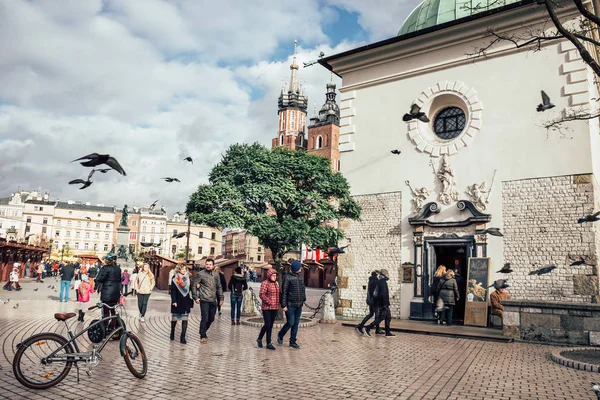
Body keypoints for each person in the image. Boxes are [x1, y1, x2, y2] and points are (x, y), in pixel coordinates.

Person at [192, 259, 223, 344]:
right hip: (204, 299)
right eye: (207, 264)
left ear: (213, 266)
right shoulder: (200, 274)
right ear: (205, 265)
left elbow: (219, 287)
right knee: (205, 318)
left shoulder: (216, 275)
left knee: (211, 318)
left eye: (210, 264)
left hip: (213, 300)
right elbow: (194, 285)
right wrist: (196, 297)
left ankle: (202, 330)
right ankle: (203, 335)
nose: (208, 266)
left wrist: (221, 298)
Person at [277, 260, 306, 349]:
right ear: (295, 268)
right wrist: (284, 305)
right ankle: (281, 334)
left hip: (299, 304)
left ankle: (292, 341)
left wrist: (303, 299)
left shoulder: (300, 277)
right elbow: (284, 292)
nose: (300, 268)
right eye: (299, 267)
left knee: (296, 324)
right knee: (290, 322)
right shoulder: (287, 277)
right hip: (290, 305)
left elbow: (303, 288)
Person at [94, 255, 122, 330]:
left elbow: (100, 278)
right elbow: (119, 280)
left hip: (107, 293)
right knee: (113, 310)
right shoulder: (118, 269)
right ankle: (112, 327)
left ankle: (104, 327)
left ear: (107, 260)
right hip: (115, 293)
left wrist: (96, 281)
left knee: (106, 311)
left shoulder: (105, 268)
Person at [365, 269, 394, 337]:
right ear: (384, 274)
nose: (388, 275)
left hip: (385, 303)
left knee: (388, 317)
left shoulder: (382, 281)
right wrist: (384, 304)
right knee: (381, 318)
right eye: (387, 273)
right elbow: (383, 294)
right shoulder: (382, 282)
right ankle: (368, 328)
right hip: (383, 304)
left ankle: (388, 332)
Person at [170, 265, 194, 344]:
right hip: (177, 300)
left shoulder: (188, 278)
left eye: (185, 269)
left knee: (185, 319)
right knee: (175, 320)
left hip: (186, 300)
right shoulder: (175, 278)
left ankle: (183, 337)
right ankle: (172, 331)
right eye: (182, 269)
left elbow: (191, 288)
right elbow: (173, 291)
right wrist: (174, 301)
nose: (184, 270)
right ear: (178, 270)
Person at [257, 268, 279, 350]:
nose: (274, 277)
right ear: (269, 276)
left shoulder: (276, 284)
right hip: (267, 308)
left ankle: (266, 342)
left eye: (275, 275)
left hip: (274, 308)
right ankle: (265, 341)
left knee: (270, 325)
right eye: (273, 275)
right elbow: (261, 294)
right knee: (267, 324)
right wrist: (269, 301)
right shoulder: (265, 283)